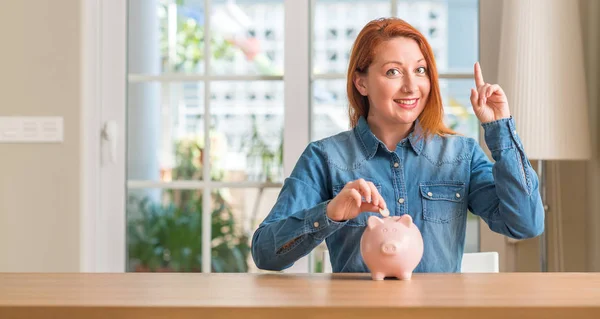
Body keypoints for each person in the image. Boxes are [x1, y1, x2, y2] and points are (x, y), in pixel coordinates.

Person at [251, 17, 544, 273]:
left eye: (420, 70)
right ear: (361, 83)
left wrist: (500, 128)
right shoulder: (325, 157)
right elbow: (265, 252)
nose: (411, 86)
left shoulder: (461, 155)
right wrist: (329, 213)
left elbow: (525, 225)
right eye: (393, 72)